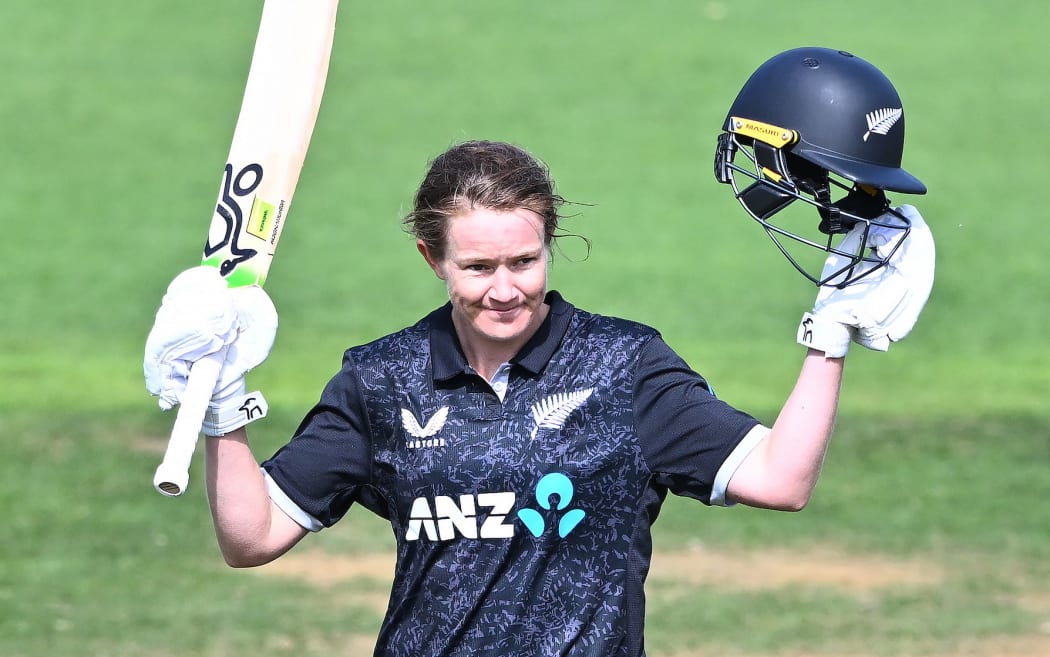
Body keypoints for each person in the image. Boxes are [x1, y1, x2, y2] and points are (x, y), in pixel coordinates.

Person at [145, 47, 934, 657]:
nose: (504, 288)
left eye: (524, 261)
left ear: (551, 244)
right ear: (432, 259)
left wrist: (828, 336)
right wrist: (223, 404)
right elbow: (251, 538)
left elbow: (780, 478)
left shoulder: (626, 367)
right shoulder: (381, 378)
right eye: (477, 267)